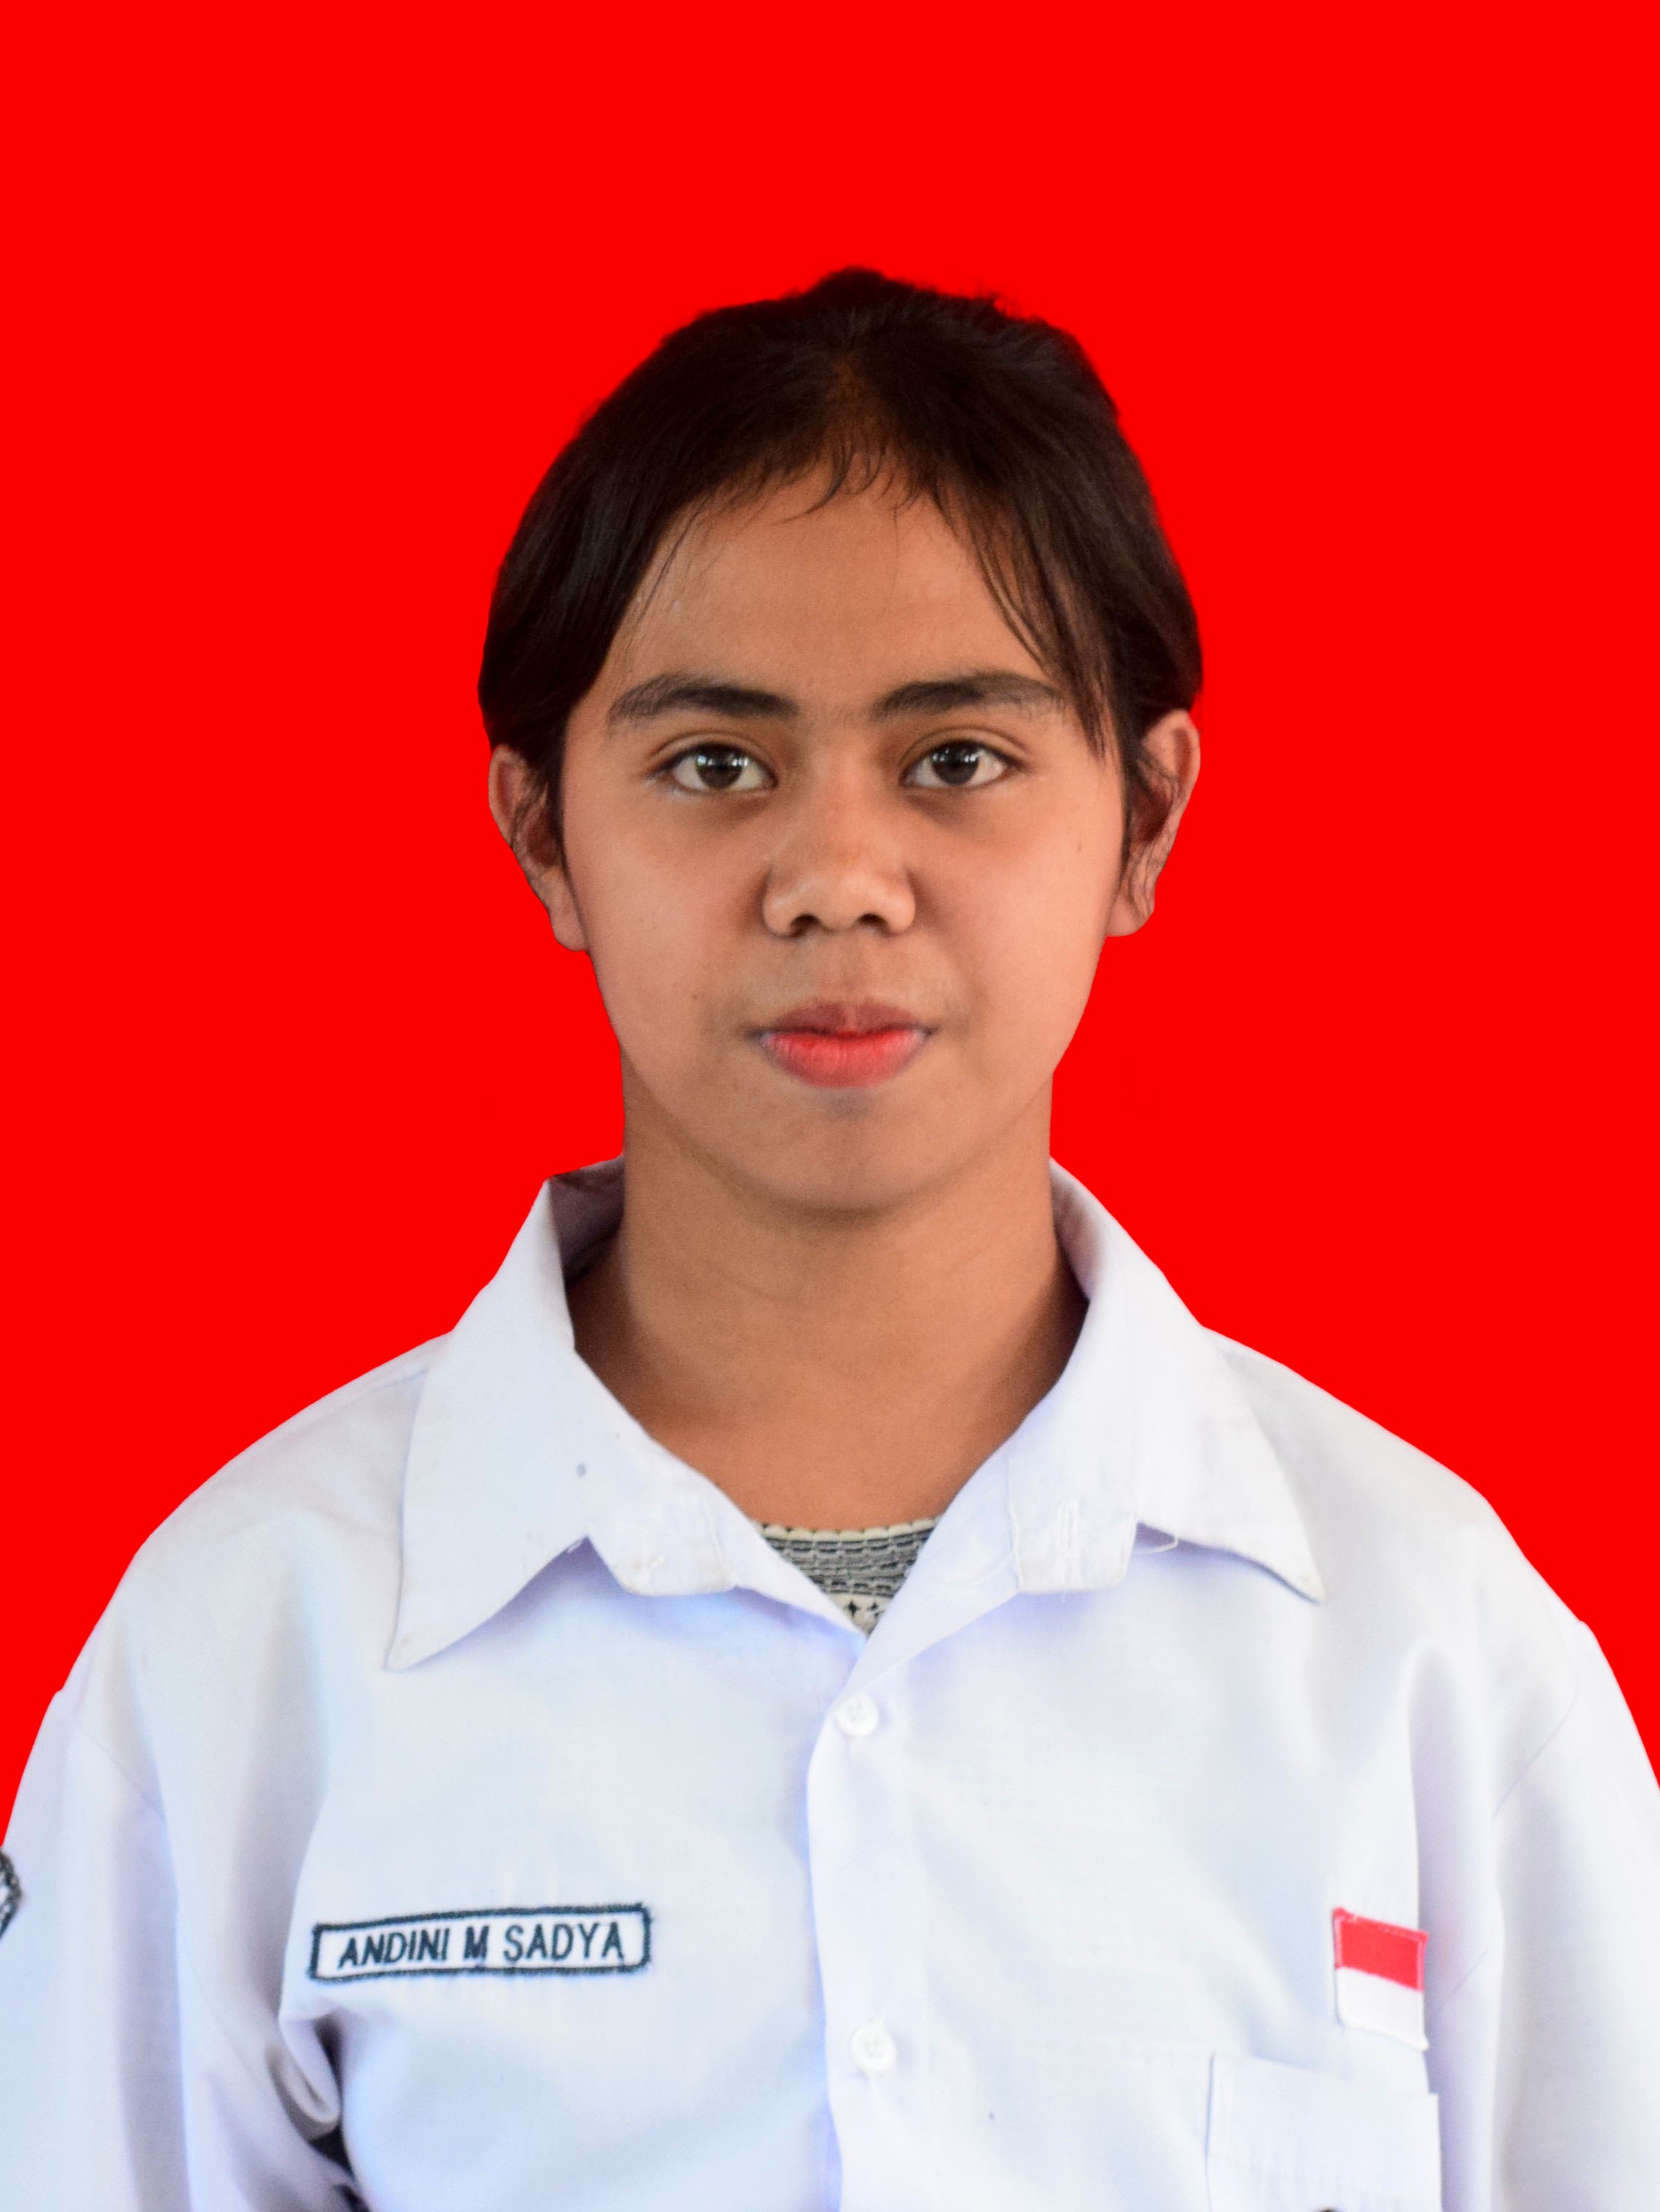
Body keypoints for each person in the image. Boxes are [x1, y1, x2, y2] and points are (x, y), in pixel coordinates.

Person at [1, 268, 1656, 2212]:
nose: (838, 879)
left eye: (958, 758)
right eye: (717, 764)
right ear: (543, 833)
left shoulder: (1435, 1652)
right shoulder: (243, 1649)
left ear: (1146, 817)